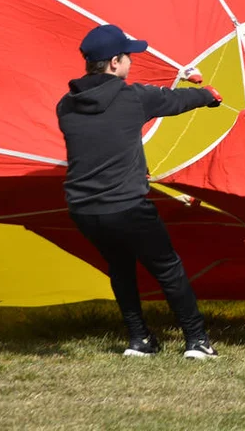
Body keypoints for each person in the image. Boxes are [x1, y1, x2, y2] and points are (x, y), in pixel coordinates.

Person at [57, 24, 223, 360]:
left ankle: (139, 340)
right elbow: (177, 100)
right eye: (129, 57)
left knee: (120, 267)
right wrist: (208, 96)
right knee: (167, 267)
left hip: (84, 211)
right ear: (115, 62)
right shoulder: (132, 97)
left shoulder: (66, 105)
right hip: (127, 208)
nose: (131, 63)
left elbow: (102, 143)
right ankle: (197, 341)